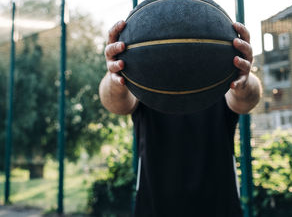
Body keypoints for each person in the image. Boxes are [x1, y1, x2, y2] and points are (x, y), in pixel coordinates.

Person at [99, 20, 262, 217]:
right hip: (155, 207)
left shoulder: (219, 72)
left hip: (219, 206)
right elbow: (115, 104)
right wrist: (115, 75)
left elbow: (246, 101)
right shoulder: (144, 74)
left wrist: (243, 78)